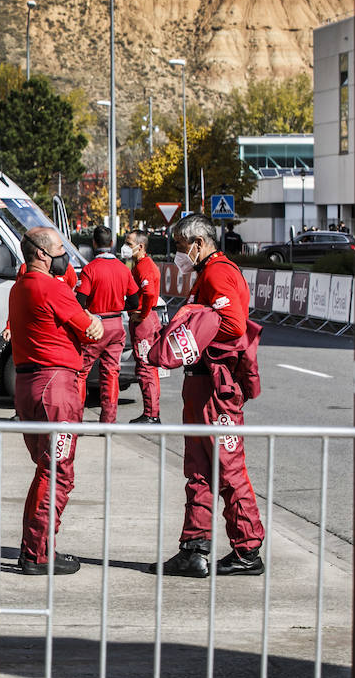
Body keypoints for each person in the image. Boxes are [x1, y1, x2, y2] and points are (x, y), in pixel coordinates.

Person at [158, 213, 265, 577]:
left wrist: (195, 328)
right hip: (203, 386)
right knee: (200, 471)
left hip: (215, 388)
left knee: (228, 468)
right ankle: (194, 548)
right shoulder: (209, 273)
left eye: (180, 247)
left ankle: (248, 549)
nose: (179, 255)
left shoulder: (217, 272)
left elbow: (233, 325)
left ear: (198, 244)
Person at [8, 227, 103, 574]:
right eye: (61, 249)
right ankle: (37, 552)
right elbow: (89, 328)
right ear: (43, 255)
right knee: (58, 472)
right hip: (55, 386)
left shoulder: (19, 288)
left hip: (28, 384)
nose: (66, 255)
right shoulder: (51, 288)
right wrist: (93, 321)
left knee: (46, 469)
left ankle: (35, 545)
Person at [75, 225, 140, 424]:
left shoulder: (90, 269)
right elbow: (136, 301)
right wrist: (120, 305)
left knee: (81, 372)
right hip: (116, 325)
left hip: (96, 326)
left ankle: (74, 419)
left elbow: (80, 301)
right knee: (111, 372)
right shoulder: (123, 268)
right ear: (112, 244)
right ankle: (108, 421)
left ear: (94, 244)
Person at [122, 229, 162, 424]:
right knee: (148, 366)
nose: (125, 247)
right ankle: (152, 412)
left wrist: (142, 314)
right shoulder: (141, 264)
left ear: (141, 246)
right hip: (146, 319)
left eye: (129, 244)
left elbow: (148, 292)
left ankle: (151, 414)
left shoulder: (144, 266)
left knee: (146, 367)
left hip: (144, 322)